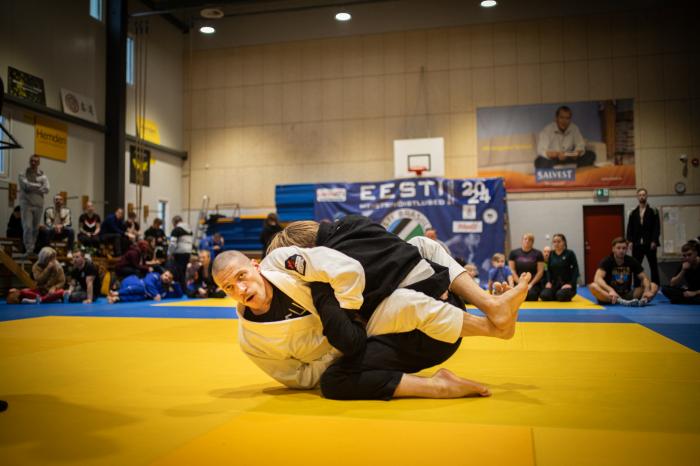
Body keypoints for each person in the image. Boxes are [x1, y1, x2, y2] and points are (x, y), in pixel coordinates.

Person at [214, 215, 530, 399]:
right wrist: (341, 343)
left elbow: (344, 270)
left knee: (419, 250)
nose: (240, 290)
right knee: (334, 379)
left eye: (241, 277)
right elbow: (299, 377)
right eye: (229, 288)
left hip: (404, 318)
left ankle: (491, 310)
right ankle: (444, 377)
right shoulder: (251, 339)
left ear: (255, 266)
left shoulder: (296, 270)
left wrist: (350, 312)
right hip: (366, 338)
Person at [588, 236, 659, 306]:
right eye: (618, 248)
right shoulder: (607, 261)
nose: (621, 250)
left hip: (627, 295)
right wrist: (611, 290)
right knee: (593, 286)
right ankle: (618, 301)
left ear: (627, 249)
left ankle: (644, 300)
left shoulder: (631, 260)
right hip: (610, 295)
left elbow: (644, 277)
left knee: (654, 286)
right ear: (613, 249)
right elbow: (598, 279)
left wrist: (646, 290)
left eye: (624, 248)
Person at [535, 106, 595, 170]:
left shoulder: (574, 128)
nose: (564, 121)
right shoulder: (547, 130)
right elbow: (541, 150)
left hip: (569, 157)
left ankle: (569, 169)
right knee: (539, 161)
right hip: (554, 158)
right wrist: (557, 154)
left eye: (567, 118)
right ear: (556, 118)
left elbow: (580, 145)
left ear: (570, 119)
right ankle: (564, 169)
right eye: (561, 117)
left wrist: (573, 154)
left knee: (590, 155)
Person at [626, 188, 660, 285]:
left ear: (646, 196)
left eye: (643, 195)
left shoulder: (653, 211)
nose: (642, 197)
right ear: (637, 197)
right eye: (640, 195)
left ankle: (655, 285)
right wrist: (630, 241)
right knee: (636, 266)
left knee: (653, 266)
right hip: (637, 244)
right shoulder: (633, 212)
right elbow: (630, 228)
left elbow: (656, 227)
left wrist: (654, 240)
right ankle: (637, 286)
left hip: (650, 243)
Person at [18, 155, 50, 254]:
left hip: (38, 205)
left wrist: (33, 186)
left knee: (35, 228)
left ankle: (32, 247)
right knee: (27, 227)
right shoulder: (23, 174)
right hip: (27, 204)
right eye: (31, 161)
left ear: (38, 163)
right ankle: (28, 249)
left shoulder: (43, 176)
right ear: (29, 161)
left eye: (36, 161)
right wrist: (39, 186)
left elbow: (47, 189)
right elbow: (26, 186)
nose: (33, 163)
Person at [540, 233, 579, 302]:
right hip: (554, 285)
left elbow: (575, 270)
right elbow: (548, 270)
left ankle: (563, 293)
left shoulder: (570, 253)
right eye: (554, 242)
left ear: (564, 242)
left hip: (567, 284)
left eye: (559, 241)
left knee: (560, 295)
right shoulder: (551, 254)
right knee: (544, 295)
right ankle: (556, 294)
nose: (556, 244)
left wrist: (571, 284)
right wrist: (548, 282)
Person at [107, 269, 182, 303]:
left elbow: (179, 295)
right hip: (131, 282)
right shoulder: (155, 275)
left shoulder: (164, 290)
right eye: (166, 275)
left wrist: (174, 283)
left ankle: (117, 299)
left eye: (169, 278)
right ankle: (117, 293)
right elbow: (148, 282)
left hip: (141, 293)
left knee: (141, 297)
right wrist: (156, 294)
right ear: (162, 274)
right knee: (142, 288)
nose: (167, 278)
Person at [509, 233, 545, 301]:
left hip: (532, 283)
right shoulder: (513, 253)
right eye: (525, 239)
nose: (527, 241)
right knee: (516, 296)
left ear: (532, 242)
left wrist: (531, 284)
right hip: (518, 282)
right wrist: (520, 284)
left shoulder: (538, 253)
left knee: (531, 296)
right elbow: (512, 270)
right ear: (522, 240)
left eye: (530, 240)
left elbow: (540, 272)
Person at [169, 215, 193, 287]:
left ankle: (181, 288)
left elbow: (172, 243)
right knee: (184, 271)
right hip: (188, 252)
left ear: (174, 222)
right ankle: (184, 287)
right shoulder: (189, 230)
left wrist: (169, 253)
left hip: (179, 253)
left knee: (179, 272)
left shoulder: (176, 230)